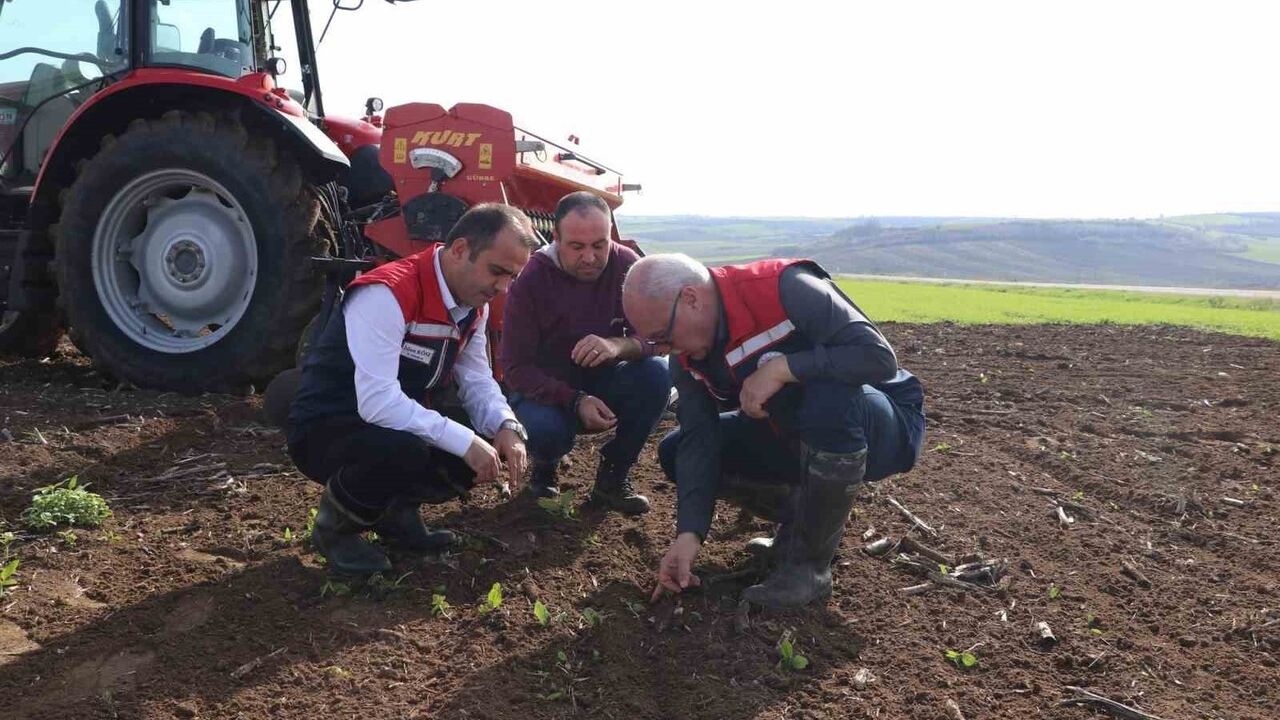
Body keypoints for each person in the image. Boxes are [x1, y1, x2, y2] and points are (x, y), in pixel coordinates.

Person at [622, 253, 926, 609]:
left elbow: (876, 356)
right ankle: (802, 527)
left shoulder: (783, 288)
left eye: (663, 337)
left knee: (826, 392)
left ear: (690, 298)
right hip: (791, 433)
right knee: (676, 450)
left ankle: (808, 569)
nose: (664, 350)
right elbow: (699, 439)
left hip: (884, 423)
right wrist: (689, 533)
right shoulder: (686, 358)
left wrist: (784, 368)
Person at [286, 204, 536, 575]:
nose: (502, 288)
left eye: (511, 277)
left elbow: (478, 380)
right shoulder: (388, 293)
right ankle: (335, 529)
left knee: (470, 434)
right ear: (460, 250)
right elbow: (377, 403)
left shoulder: (472, 307)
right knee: (410, 447)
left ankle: (394, 514)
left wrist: (505, 425)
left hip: (390, 425)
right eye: (496, 271)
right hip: (328, 427)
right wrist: (463, 440)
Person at [500, 192, 671, 515]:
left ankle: (614, 475)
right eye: (577, 247)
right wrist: (575, 399)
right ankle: (545, 467)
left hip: (605, 381)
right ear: (556, 239)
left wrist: (618, 345)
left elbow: (660, 339)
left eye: (599, 245)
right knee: (547, 431)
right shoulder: (531, 279)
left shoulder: (626, 266)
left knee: (657, 374)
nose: (590, 258)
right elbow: (514, 368)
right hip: (545, 391)